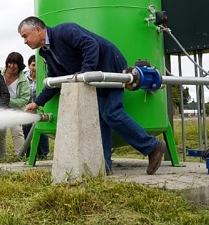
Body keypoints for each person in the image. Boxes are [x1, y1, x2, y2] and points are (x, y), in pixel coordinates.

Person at [18, 16, 165, 175]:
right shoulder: (45, 52)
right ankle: (104, 165)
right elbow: (55, 79)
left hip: (109, 66)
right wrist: (37, 103)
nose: (25, 41)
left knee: (111, 112)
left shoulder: (65, 31)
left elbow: (90, 44)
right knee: (100, 118)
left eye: (25, 36)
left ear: (38, 30)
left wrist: (85, 72)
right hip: (94, 77)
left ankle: (152, 146)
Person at [1, 52, 31, 156]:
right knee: (0, 133)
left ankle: (20, 155)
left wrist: (6, 100)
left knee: (17, 132)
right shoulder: (0, 73)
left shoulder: (23, 80)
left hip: (15, 109)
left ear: (20, 65)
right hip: (0, 108)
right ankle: (2, 156)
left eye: (15, 64)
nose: (12, 66)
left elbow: (24, 99)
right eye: (10, 63)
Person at [24, 54, 49, 159]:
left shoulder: (44, 76)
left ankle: (43, 153)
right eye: (33, 65)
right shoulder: (24, 78)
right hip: (27, 109)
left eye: (36, 65)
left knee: (41, 129)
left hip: (40, 108)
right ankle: (29, 153)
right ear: (29, 65)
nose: (35, 68)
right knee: (26, 128)